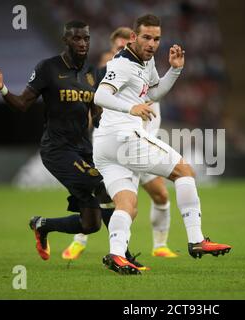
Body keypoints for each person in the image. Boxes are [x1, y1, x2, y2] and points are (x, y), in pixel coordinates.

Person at [0, 21, 145, 269]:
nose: (83, 43)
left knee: (90, 224)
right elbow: (22, 104)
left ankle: (42, 224)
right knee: (104, 187)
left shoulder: (92, 73)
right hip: (57, 150)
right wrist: (3, 88)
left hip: (84, 150)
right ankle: (122, 255)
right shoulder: (48, 68)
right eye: (77, 39)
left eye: (86, 38)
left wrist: (120, 133)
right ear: (66, 40)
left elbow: (96, 115)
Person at [93, 14, 232, 275]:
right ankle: (196, 240)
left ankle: (116, 255)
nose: (152, 43)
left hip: (106, 147)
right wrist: (131, 107)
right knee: (185, 172)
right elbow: (101, 95)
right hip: (124, 138)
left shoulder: (146, 63)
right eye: (146, 37)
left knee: (127, 205)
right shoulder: (122, 63)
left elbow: (153, 93)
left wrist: (175, 70)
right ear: (133, 37)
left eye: (156, 39)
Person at [62, 27, 178, 260]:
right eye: (117, 47)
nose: (122, 50)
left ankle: (159, 245)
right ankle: (81, 241)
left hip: (142, 144)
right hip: (116, 144)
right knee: (105, 198)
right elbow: (93, 104)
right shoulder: (110, 74)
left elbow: (155, 93)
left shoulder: (145, 71)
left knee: (160, 196)